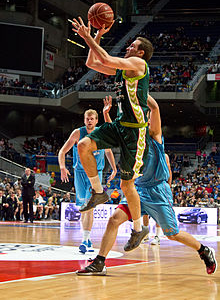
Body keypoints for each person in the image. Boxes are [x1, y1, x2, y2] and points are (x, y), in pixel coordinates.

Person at [76, 95, 217, 276]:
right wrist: (107, 115)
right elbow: (116, 132)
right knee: (113, 220)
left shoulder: (155, 136)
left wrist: (136, 89)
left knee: (172, 234)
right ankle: (100, 262)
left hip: (158, 191)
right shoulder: (131, 137)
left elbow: (155, 108)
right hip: (138, 190)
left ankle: (203, 250)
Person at [72, 17, 153, 251]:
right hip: (118, 125)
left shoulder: (139, 65)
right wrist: (96, 35)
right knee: (83, 146)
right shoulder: (122, 70)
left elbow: (105, 58)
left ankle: (139, 229)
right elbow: (92, 63)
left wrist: (87, 35)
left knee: (127, 186)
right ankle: (99, 192)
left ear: (140, 52)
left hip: (135, 133)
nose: (128, 47)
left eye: (132, 45)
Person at [58, 109, 117, 253]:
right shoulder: (78, 133)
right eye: (87, 119)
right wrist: (62, 167)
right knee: (83, 208)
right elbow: (62, 151)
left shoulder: (101, 133)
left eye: (92, 119)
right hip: (79, 173)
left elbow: (108, 151)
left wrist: (114, 169)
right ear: (84, 120)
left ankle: (84, 239)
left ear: (96, 120)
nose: (89, 121)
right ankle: (87, 238)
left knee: (89, 207)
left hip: (96, 173)